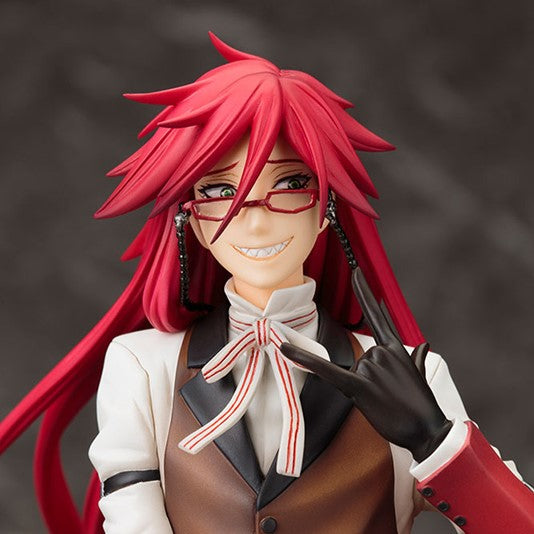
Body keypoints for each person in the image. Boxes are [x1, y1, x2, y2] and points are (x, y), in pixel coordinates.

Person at [0, 33, 532, 533]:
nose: (255, 222)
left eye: (292, 182)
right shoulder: (142, 367)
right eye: (220, 191)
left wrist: (436, 441)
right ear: (192, 222)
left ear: (326, 209)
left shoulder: (415, 376)